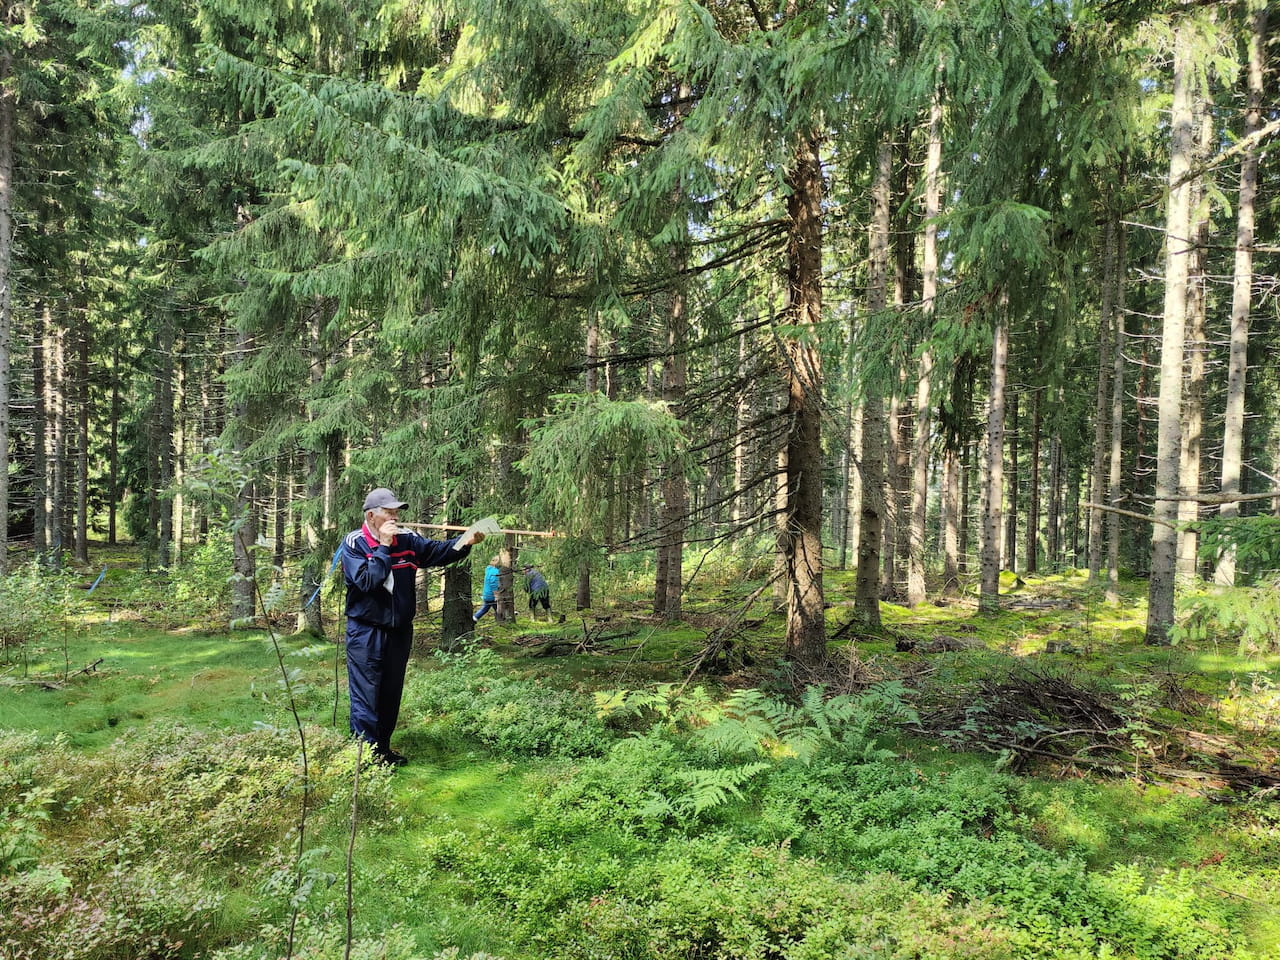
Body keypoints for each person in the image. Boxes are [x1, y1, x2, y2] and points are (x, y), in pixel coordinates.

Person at [341, 487, 484, 766]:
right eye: (388, 513)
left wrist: (465, 541)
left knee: (390, 694)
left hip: (399, 631)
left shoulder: (408, 538)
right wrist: (383, 546)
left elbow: (436, 552)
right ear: (371, 516)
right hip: (365, 632)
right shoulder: (355, 543)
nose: (395, 517)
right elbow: (369, 582)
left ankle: (381, 751)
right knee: (366, 695)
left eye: (396, 512)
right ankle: (363, 762)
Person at [473, 556, 503, 622]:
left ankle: (475, 618)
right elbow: (493, 583)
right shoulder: (495, 572)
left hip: (486, 593)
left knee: (485, 608)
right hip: (491, 595)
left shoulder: (489, 569)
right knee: (498, 608)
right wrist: (496, 595)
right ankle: (504, 620)